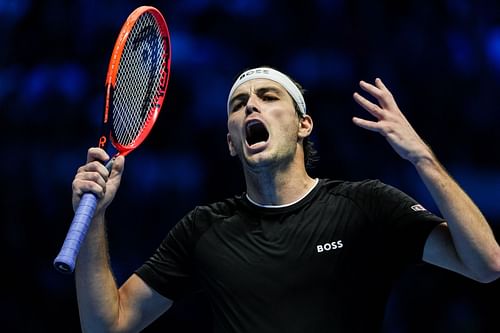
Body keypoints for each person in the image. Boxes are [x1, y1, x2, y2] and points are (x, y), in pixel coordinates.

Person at [71, 66, 500, 333]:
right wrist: (93, 220)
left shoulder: (365, 207)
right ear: (232, 143)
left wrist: (421, 156)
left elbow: (486, 264)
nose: (251, 108)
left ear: (303, 125)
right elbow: (106, 325)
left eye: (268, 97)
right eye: (239, 105)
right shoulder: (203, 229)